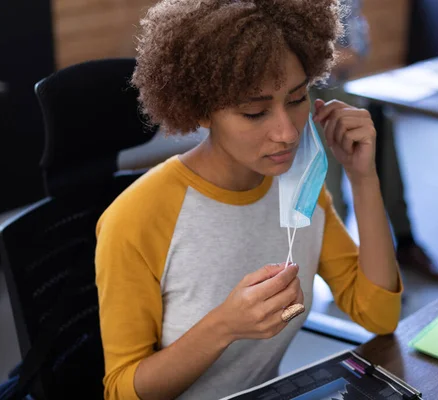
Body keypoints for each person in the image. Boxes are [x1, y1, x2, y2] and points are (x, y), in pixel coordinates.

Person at [94, 1, 402, 399]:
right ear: (202, 111)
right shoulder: (136, 219)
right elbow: (120, 391)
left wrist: (363, 179)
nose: (288, 133)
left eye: (296, 98)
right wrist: (225, 326)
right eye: (255, 112)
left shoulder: (298, 185)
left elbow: (379, 314)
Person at [316, 0, 438, 282]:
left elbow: (355, 51)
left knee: (376, 124)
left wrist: (314, 57)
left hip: (330, 84)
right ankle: (348, 268)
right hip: (291, 90)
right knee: (326, 145)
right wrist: (321, 58)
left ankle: (405, 241)